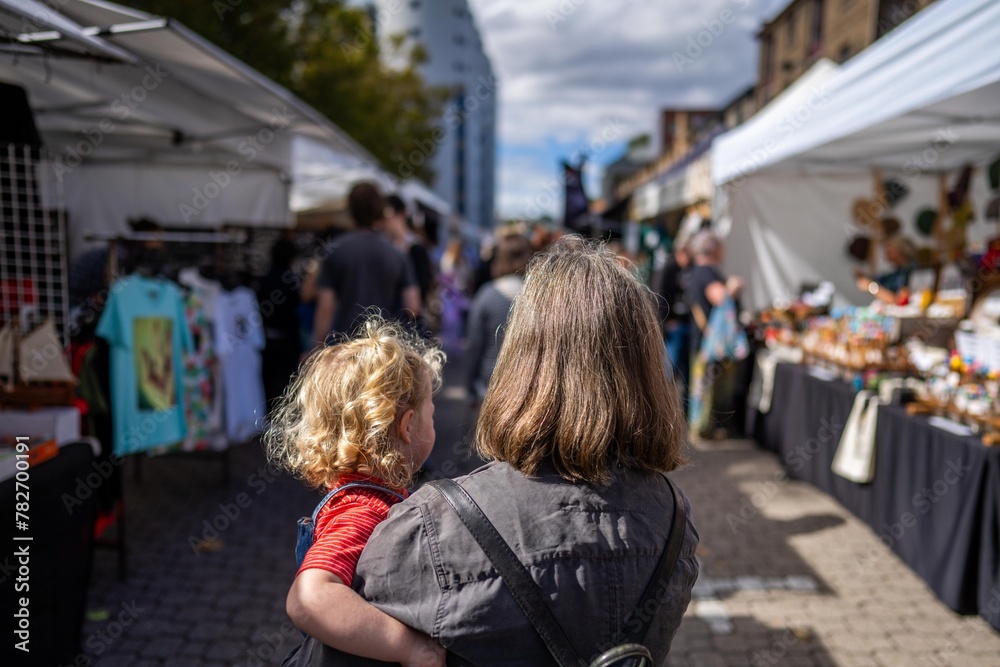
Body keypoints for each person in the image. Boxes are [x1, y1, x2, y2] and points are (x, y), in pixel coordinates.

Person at [285, 236, 699, 665]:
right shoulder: (676, 519)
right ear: (648, 368)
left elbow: (327, 608)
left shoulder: (430, 525)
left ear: (520, 358)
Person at [268, 317, 446, 667]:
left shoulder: (367, 496)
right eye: (432, 415)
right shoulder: (363, 509)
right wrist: (409, 648)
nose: (434, 423)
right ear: (409, 426)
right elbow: (310, 598)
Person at [311, 183, 420, 347]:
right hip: (384, 348)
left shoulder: (335, 250)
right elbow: (412, 306)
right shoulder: (397, 253)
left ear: (350, 209)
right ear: (379, 210)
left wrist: (317, 348)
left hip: (345, 347)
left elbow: (326, 307)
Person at [685, 230, 743, 440]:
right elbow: (720, 297)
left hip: (702, 340)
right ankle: (702, 429)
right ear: (713, 249)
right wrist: (733, 287)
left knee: (701, 386)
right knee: (705, 387)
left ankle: (700, 428)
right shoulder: (707, 273)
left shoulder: (696, 272)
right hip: (709, 343)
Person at [464, 233, 533, 408]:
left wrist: (470, 387)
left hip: (490, 384)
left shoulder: (486, 295)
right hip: (530, 385)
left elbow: (474, 345)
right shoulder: (538, 297)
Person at [258, 238, 301, 411]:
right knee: (287, 383)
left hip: (267, 340)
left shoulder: (264, 280)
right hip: (288, 341)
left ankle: (269, 416)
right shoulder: (292, 281)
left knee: (268, 381)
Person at [656, 235, 692, 392]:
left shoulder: (688, 269)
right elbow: (660, 295)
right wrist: (664, 321)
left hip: (684, 322)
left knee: (681, 367)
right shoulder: (668, 269)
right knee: (670, 365)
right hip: (672, 325)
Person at [854, 235, 918, 304]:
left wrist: (870, 286)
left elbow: (899, 301)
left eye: (889, 252)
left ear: (901, 251)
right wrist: (866, 277)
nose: (886, 257)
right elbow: (881, 280)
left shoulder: (914, 271)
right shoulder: (898, 272)